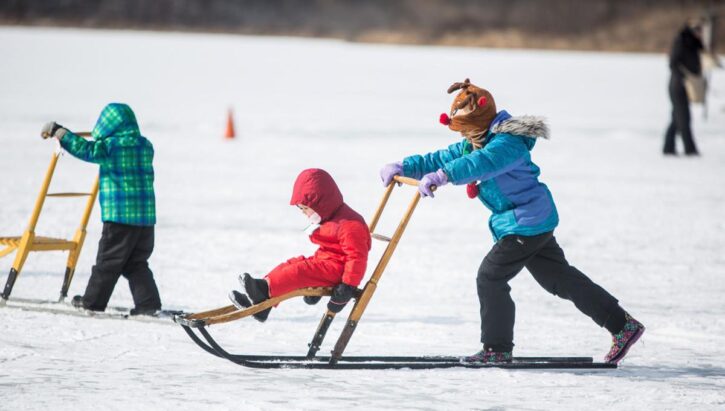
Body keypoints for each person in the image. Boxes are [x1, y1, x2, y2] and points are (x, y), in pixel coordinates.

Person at [379, 79, 645, 364]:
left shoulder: (507, 144)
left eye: (467, 129)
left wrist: (443, 176)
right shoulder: (476, 141)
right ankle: (622, 326)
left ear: (480, 120)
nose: (465, 137)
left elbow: (480, 164)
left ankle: (497, 349)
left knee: (490, 276)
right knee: (558, 279)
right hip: (527, 221)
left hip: (526, 222)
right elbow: (444, 156)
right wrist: (405, 166)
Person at [41, 103, 162, 316]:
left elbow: (86, 149)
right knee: (136, 263)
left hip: (120, 218)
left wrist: (61, 133)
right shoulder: (145, 145)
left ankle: (93, 302)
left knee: (108, 262)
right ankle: (148, 304)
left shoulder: (111, 147)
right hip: (145, 220)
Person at [229, 168, 371, 322]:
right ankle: (262, 294)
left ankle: (263, 292)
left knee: (298, 271)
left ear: (321, 203)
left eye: (305, 209)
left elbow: (357, 257)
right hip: (326, 262)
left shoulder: (350, 225)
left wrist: (347, 287)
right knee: (292, 263)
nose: (303, 213)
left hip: (339, 271)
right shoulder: (331, 216)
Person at [663, 21, 704, 156]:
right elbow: (673, 62)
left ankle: (668, 147)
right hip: (678, 85)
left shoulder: (694, 44)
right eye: (697, 31)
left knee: (677, 117)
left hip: (686, 85)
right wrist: (683, 77)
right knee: (683, 117)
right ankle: (689, 149)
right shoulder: (682, 41)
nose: (700, 33)